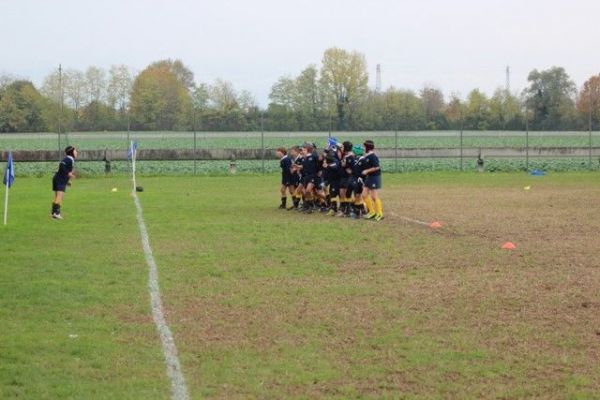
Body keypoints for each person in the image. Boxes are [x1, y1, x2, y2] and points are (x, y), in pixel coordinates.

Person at [51, 146, 77, 220]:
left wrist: (68, 181)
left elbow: (67, 170)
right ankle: (56, 213)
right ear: (71, 152)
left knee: (58, 196)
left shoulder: (70, 159)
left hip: (57, 178)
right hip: (60, 179)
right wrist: (68, 173)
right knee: (60, 196)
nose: (76, 152)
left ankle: (54, 213)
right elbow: (62, 165)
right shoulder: (69, 159)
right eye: (75, 151)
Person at [361, 140, 383, 221]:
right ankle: (372, 212)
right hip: (369, 177)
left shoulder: (373, 156)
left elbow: (377, 167)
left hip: (375, 177)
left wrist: (367, 171)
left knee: (374, 196)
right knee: (364, 195)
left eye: (364, 146)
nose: (363, 148)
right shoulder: (367, 156)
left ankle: (380, 213)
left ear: (367, 147)